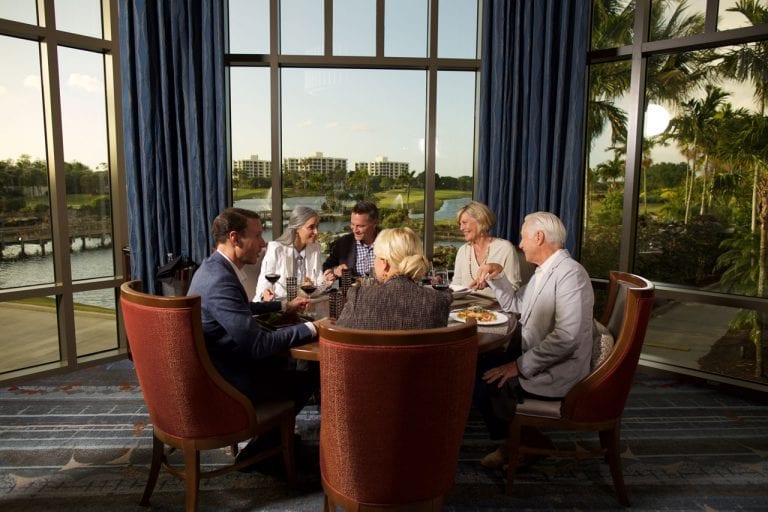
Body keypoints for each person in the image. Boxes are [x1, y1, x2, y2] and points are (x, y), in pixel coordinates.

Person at [469, 211, 594, 469]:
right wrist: (498, 276)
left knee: (486, 382)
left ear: (539, 237)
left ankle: (525, 443)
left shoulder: (571, 274)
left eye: (524, 237)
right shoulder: (543, 272)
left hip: (558, 369)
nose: (520, 244)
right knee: (478, 366)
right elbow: (517, 305)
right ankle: (518, 438)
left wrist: (519, 366)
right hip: (537, 356)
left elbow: (567, 337)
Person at [187, 207, 322, 410]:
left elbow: (241, 307)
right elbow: (258, 345)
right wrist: (314, 327)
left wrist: (284, 305)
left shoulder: (212, 268)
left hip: (223, 366)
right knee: (312, 373)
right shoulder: (220, 281)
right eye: (258, 235)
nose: (263, 243)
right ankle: (268, 441)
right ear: (234, 238)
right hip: (229, 383)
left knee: (285, 364)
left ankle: (276, 437)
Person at [335, 227, 452, 330]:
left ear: (384, 263)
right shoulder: (439, 300)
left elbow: (339, 338)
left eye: (376, 257)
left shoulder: (360, 296)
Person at [255, 206, 334, 301]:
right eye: (311, 227)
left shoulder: (315, 247)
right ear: (297, 228)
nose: (316, 232)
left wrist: (326, 281)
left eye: (317, 226)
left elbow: (317, 281)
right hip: (280, 305)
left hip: (307, 303)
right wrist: (265, 294)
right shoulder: (276, 248)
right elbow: (265, 282)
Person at [452, 201, 521, 298]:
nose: (461, 228)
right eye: (460, 224)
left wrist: (490, 283)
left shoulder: (505, 248)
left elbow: (513, 289)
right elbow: (456, 285)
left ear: (480, 221)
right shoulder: (463, 250)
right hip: (465, 309)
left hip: (496, 307)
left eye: (464, 223)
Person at [322, 200, 380, 280]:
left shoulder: (390, 242)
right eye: (352, 224)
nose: (355, 230)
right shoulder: (343, 243)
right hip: (350, 292)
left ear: (375, 224)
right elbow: (326, 268)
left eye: (360, 226)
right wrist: (335, 271)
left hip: (383, 291)